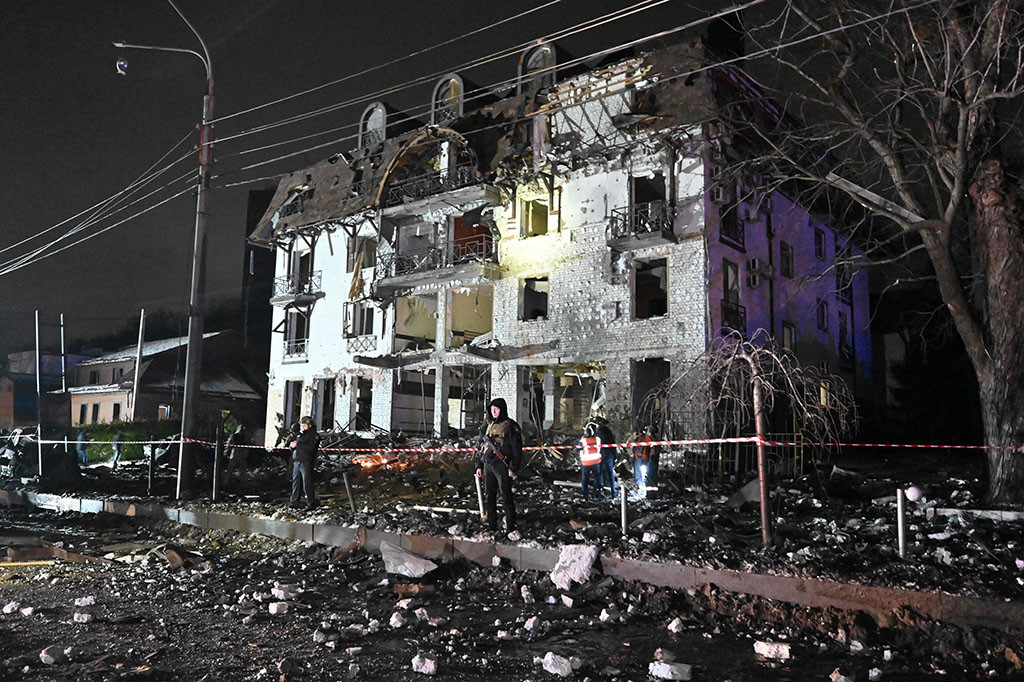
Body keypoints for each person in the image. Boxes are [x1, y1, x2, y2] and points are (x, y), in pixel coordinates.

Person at [476, 398, 522, 536]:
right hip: (488, 465)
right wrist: (479, 466)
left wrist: (513, 468)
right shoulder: (487, 426)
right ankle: (492, 525)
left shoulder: (510, 426)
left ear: (502, 410)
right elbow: (480, 447)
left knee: (506, 496)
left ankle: (510, 527)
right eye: (492, 409)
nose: (494, 412)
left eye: (496, 409)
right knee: (490, 496)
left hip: (502, 466)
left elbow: (517, 449)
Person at [289, 416, 320, 509]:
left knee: (307, 483)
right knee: (296, 483)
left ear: (309, 425)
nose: (302, 427)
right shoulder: (301, 435)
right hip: (297, 461)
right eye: (301, 425)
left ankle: (310, 503)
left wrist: (298, 445)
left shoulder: (314, 436)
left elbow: (311, 449)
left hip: (306, 461)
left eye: (304, 425)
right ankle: (295, 502)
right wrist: (293, 447)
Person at [631, 425, 660, 499]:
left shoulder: (647, 439)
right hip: (641, 458)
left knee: (643, 476)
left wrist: (648, 459)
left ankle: (644, 491)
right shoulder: (641, 439)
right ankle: (642, 491)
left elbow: (652, 450)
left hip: (643, 459)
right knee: (641, 476)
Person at [579, 422, 603, 499]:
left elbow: (577, 449)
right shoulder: (598, 439)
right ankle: (595, 493)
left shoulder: (583, 441)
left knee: (585, 479)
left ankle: (585, 495)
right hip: (596, 462)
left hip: (586, 463)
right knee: (597, 478)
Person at [595, 417, 617, 498]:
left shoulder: (597, 432)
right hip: (608, 454)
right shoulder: (608, 432)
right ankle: (611, 492)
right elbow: (612, 444)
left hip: (599, 455)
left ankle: (598, 492)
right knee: (609, 473)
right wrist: (615, 456)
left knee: (599, 473)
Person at [223, 424, 250, 491]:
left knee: (238, 468)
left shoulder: (237, 435)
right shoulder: (238, 435)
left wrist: (227, 452)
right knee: (235, 468)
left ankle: (227, 482)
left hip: (237, 451)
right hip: (237, 451)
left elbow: (229, 443)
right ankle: (226, 483)